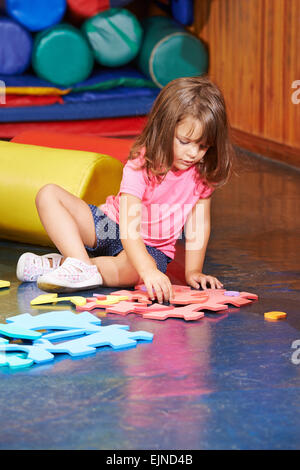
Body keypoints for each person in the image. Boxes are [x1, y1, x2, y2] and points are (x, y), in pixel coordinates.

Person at [16, 75, 235, 304]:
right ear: (164, 128)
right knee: (48, 194)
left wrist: (192, 271)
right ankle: (80, 265)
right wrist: (148, 271)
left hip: (152, 249)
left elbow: (199, 226)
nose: (193, 153)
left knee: (134, 270)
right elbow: (129, 227)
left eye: (203, 146)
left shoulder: (202, 173)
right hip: (113, 225)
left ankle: (60, 265)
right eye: (184, 141)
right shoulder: (143, 163)